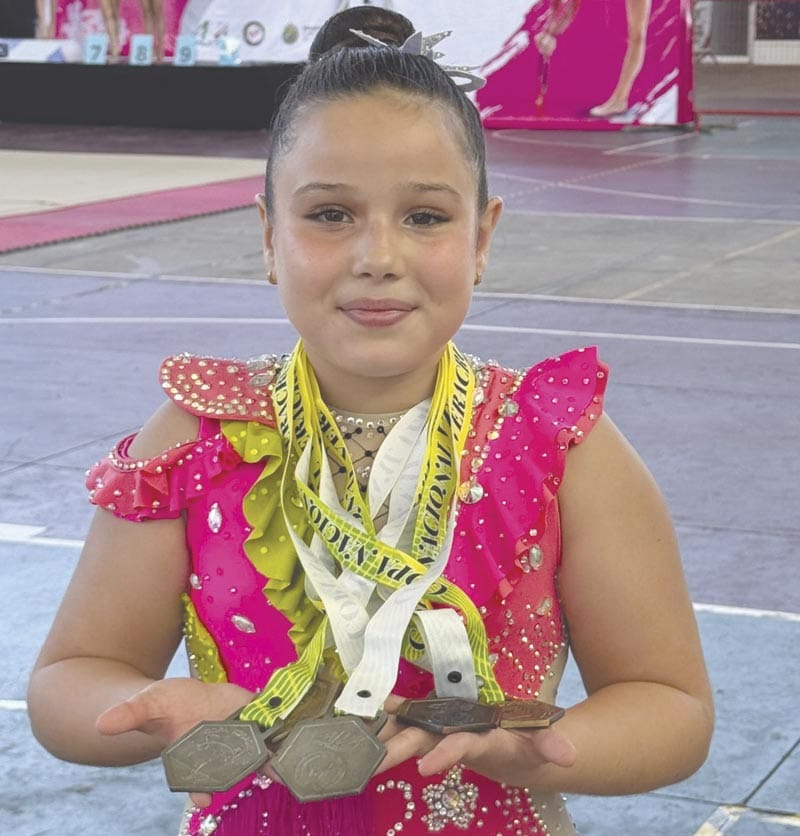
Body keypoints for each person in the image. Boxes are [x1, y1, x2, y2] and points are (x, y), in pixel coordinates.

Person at [27, 7, 713, 836]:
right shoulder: (196, 439)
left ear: (483, 237)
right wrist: (151, 709)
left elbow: (670, 705)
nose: (377, 256)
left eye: (425, 216)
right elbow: (70, 678)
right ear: (268, 236)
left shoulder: (560, 444)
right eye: (330, 214)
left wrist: (527, 747)